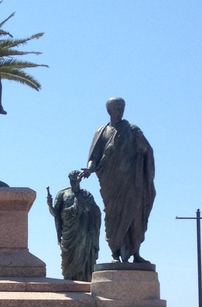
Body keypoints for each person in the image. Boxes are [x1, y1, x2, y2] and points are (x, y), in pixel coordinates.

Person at [83, 97, 156, 264]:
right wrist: (89, 169)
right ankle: (115, 254)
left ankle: (136, 253)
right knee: (113, 217)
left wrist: (144, 149)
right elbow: (94, 157)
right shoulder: (102, 132)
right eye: (116, 107)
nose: (120, 110)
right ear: (109, 110)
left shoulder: (133, 130)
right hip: (112, 184)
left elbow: (147, 151)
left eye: (122, 107)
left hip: (132, 182)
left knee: (135, 216)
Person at [47, 170, 101, 281]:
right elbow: (55, 214)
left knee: (82, 256)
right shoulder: (62, 194)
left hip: (83, 231)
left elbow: (95, 212)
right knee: (66, 258)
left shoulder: (86, 194)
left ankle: (83, 280)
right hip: (68, 232)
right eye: (71, 180)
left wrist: (85, 208)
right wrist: (49, 205)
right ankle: (68, 280)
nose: (72, 182)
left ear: (79, 180)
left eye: (75, 180)